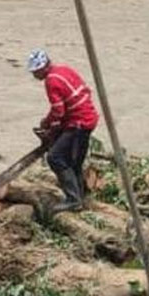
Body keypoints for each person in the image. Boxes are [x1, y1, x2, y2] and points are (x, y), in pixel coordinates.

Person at [28, 49, 99, 214]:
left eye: (35, 72)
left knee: (55, 157)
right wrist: (48, 124)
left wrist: (50, 130)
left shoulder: (51, 81)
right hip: (86, 117)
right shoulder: (64, 70)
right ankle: (81, 196)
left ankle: (74, 200)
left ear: (42, 68)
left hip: (79, 122)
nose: (34, 76)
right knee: (74, 161)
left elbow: (58, 111)